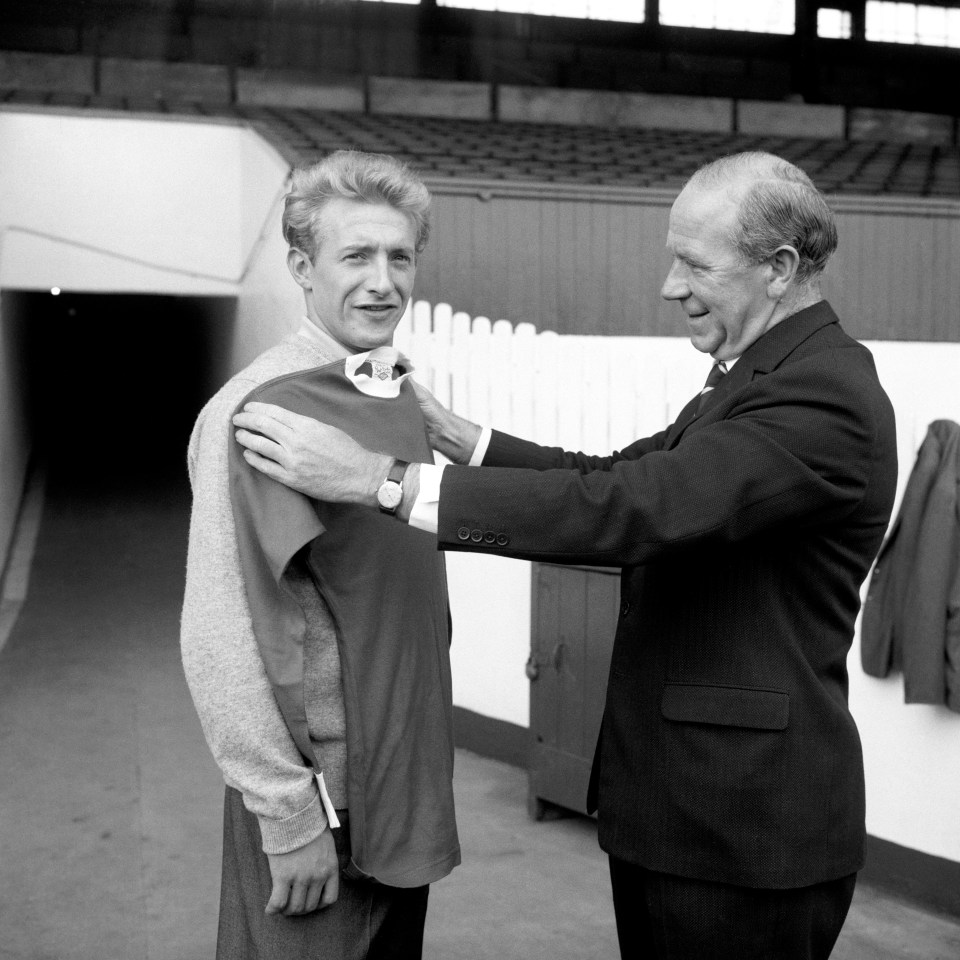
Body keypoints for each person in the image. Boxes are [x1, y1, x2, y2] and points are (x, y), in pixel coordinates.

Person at [232, 151, 898, 960]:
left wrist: (382, 481)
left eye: (693, 263)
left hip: (743, 835)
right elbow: (620, 473)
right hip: (691, 817)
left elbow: (635, 508)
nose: (670, 286)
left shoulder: (819, 395)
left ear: (779, 268)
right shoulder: (757, 375)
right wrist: (461, 439)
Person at [181, 150, 460, 960]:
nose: (384, 281)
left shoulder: (390, 390)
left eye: (399, 256)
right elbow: (220, 627)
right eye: (356, 256)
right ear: (303, 267)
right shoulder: (259, 412)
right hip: (322, 809)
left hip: (402, 793)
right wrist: (285, 809)